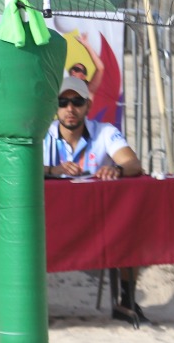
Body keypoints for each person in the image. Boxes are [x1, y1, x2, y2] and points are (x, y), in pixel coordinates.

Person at [42, 75, 150, 323]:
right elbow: (19, 169)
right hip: (51, 222)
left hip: (97, 222)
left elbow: (134, 164)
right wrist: (52, 170)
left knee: (130, 222)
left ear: (88, 105)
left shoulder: (105, 132)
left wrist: (117, 169)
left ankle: (127, 301)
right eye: (63, 102)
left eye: (77, 102)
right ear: (55, 106)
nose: (70, 109)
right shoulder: (41, 134)